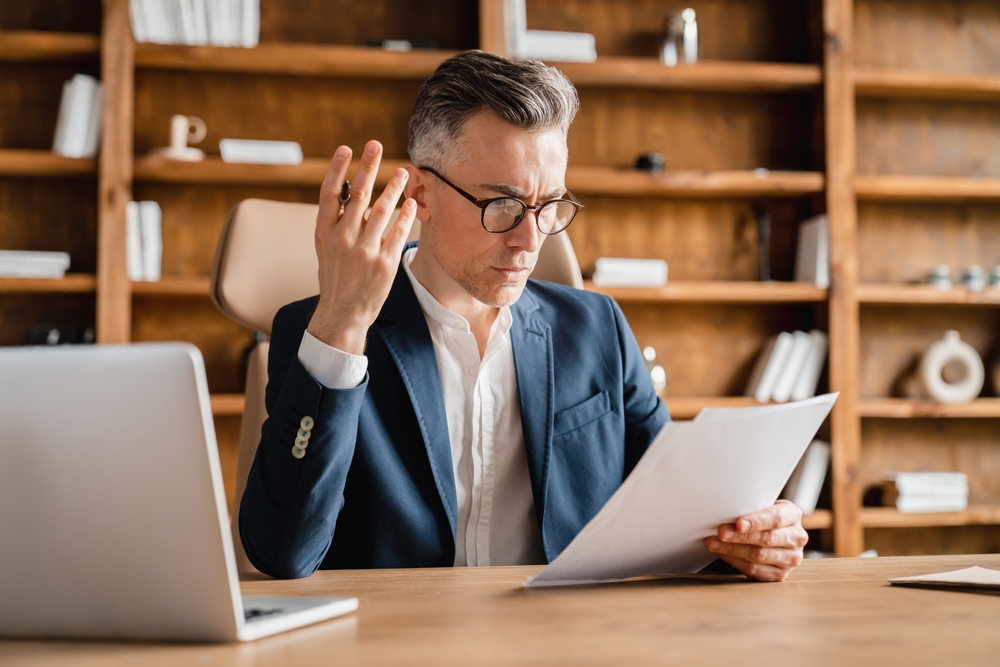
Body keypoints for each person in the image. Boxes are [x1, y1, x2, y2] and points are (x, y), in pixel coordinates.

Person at [239, 50, 807, 582]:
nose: (529, 241)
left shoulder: (596, 329)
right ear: (421, 194)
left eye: (549, 205)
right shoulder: (321, 332)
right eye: (502, 204)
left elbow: (677, 517)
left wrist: (750, 538)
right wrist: (342, 325)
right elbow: (283, 554)